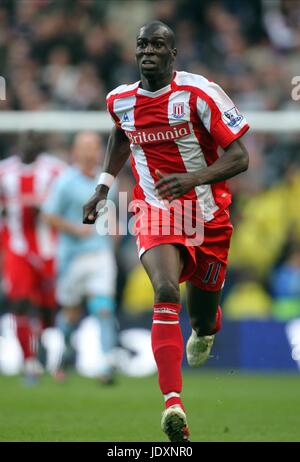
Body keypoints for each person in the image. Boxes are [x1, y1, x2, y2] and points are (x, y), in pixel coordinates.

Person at [83, 21, 250, 442]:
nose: (148, 52)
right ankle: (172, 403)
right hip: (155, 210)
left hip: (208, 217)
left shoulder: (200, 94)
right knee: (165, 290)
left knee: (202, 318)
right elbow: (122, 136)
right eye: (142, 45)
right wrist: (103, 187)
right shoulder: (119, 100)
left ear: (172, 54)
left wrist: (193, 180)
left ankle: (206, 328)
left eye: (157, 45)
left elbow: (240, 156)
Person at [42, 132, 118, 384]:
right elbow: (48, 215)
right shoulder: (65, 181)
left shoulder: (108, 183)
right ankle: (61, 357)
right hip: (72, 257)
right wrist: (75, 229)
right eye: (84, 147)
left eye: (94, 147)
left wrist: (114, 232)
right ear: (75, 151)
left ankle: (107, 366)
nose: (89, 152)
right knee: (71, 312)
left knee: (104, 309)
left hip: (100, 254)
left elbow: (110, 215)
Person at [0, 132, 66, 382]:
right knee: (19, 302)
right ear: (17, 144)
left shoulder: (56, 170)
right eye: (25, 139)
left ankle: (48, 353)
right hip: (16, 247)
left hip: (49, 248)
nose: (29, 144)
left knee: (47, 309)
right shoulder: (4, 171)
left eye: (34, 139)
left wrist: (46, 209)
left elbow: (68, 203)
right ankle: (28, 360)